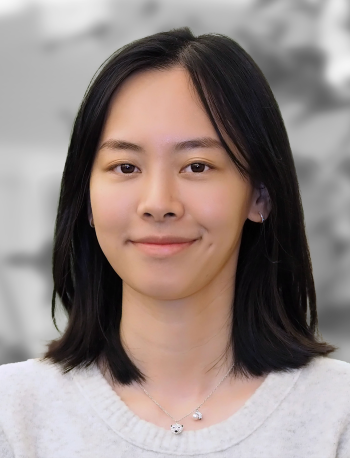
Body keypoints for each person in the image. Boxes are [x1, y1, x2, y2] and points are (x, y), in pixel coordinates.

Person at [0, 26, 349, 457]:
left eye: (197, 166)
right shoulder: (12, 415)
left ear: (260, 195)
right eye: (125, 167)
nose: (158, 203)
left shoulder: (338, 415)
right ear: (86, 199)